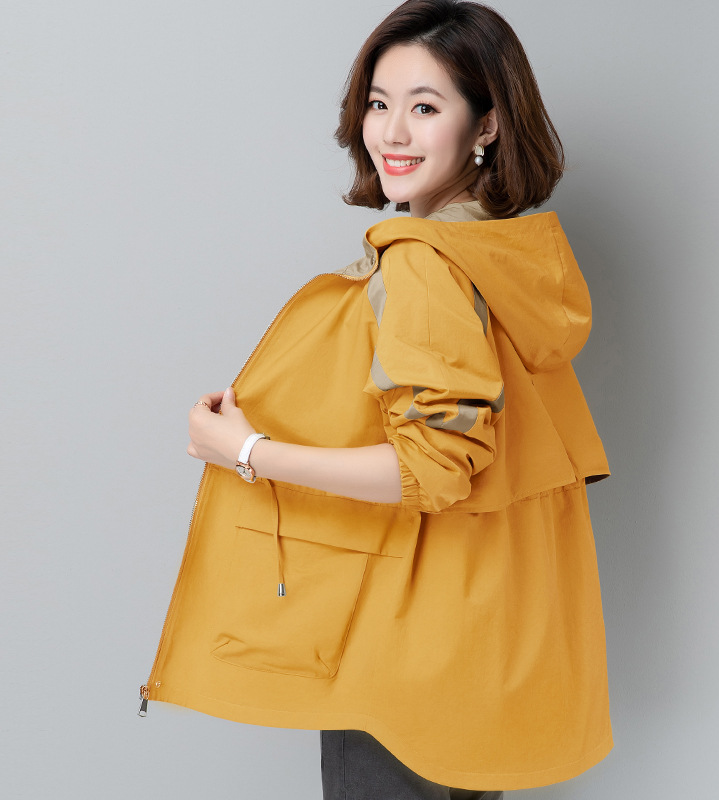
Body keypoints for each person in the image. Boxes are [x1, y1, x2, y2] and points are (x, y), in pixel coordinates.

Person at [138, 1, 613, 797]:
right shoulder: (507, 254)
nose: (391, 133)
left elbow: (436, 468)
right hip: (482, 651)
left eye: (425, 108)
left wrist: (246, 452)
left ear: (487, 123)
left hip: (402, 659)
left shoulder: (425, 263)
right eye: (379, 103)